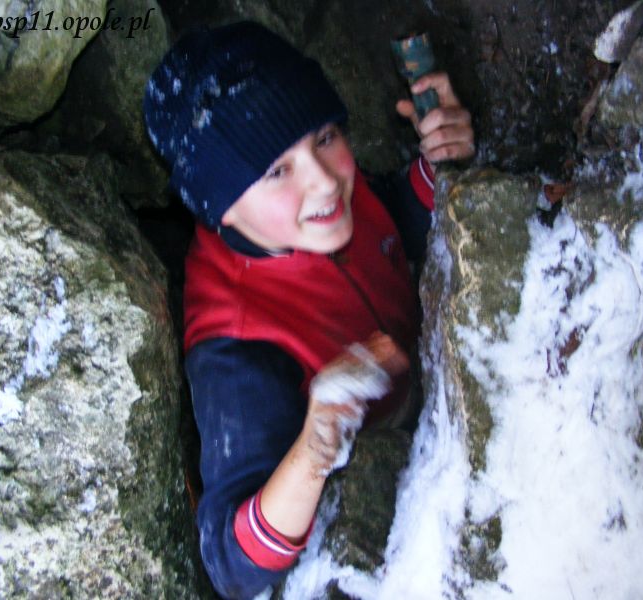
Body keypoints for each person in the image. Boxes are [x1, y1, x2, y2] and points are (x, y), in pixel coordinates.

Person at [143, 20, 474, 599]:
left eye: (323, 136)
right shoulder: (237, 344)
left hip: (431, 376)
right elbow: (230, 562)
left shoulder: (319, 204)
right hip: (392, 470)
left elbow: (388, 220)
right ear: (220, 209)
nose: (323, 181)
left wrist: (439, 163)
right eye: (276, 171)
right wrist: (317, 445)